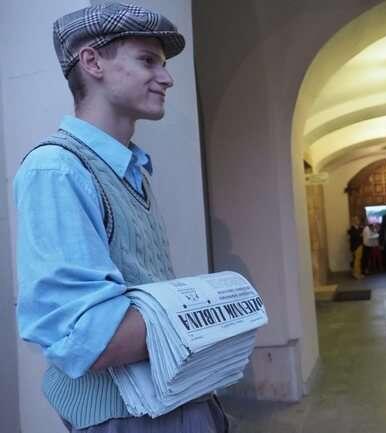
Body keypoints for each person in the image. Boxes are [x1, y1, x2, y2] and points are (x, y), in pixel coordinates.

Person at [13, 4, 228, 432]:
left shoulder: (132, 169)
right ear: (92, 62)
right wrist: (215, 312)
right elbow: (88, 338)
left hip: (175, 399)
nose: (166, 78)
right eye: (148, 60)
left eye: (162, 64)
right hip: (127, 416)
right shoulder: (57, 169)